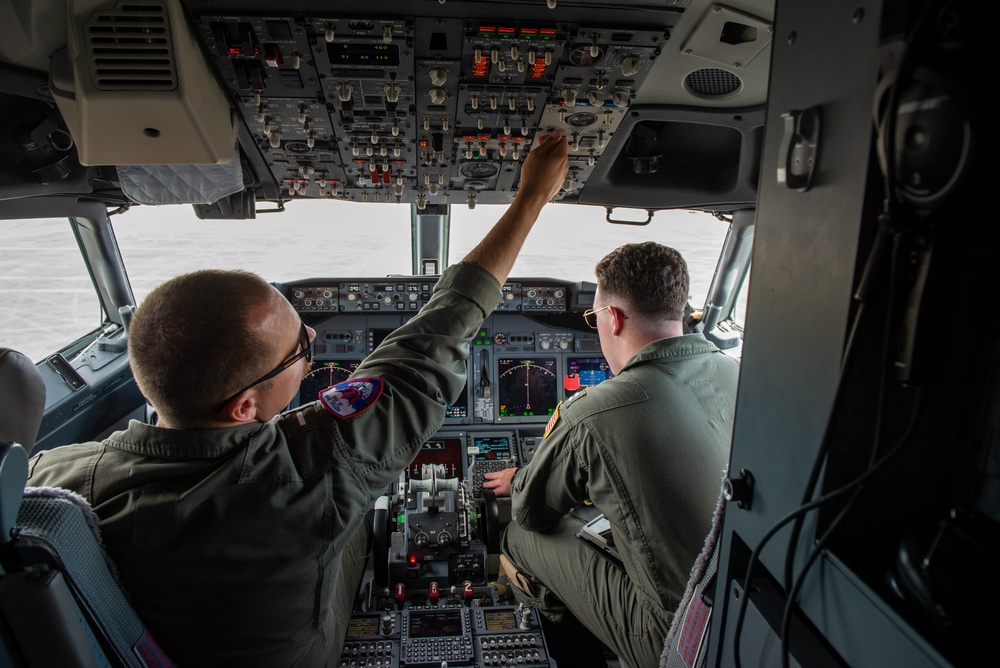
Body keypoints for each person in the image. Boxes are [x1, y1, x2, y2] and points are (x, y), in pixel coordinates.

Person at [25, 130, 569, 666]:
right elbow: (433, 342)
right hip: (304, 654)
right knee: (368, 507)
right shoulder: (312, 471)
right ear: (243, 408)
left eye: (303, 326)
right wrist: (531, 197)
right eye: (297, 350)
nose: (312, 340)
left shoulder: (53, 484)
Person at [483, 241, 739, 668]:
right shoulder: (735, 370)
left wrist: (523, 478)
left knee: (522, 537)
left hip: (677, 642)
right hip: (741, 610)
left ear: (613, 319)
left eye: (594, 318)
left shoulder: (595, 411)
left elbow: (531, 512)